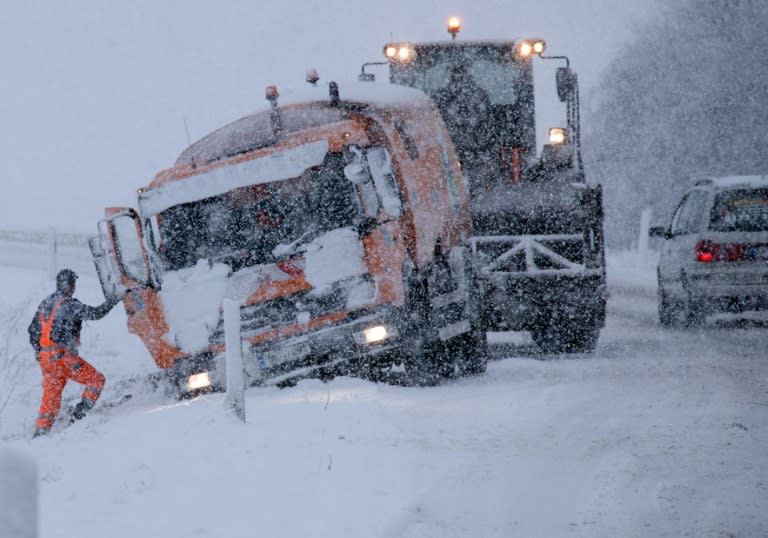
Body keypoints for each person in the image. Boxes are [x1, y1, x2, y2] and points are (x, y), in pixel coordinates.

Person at [27, 269, 123, 437]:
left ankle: (41, 432)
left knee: (51, 397)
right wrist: (114, 299)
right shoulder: (69, 305)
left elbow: (32, 331)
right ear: (71, 286)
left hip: (45, 360)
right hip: (63, 358)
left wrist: (39, 351)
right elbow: (95, 313)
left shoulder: (45, 304)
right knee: (96, 380)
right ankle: (79, 416)